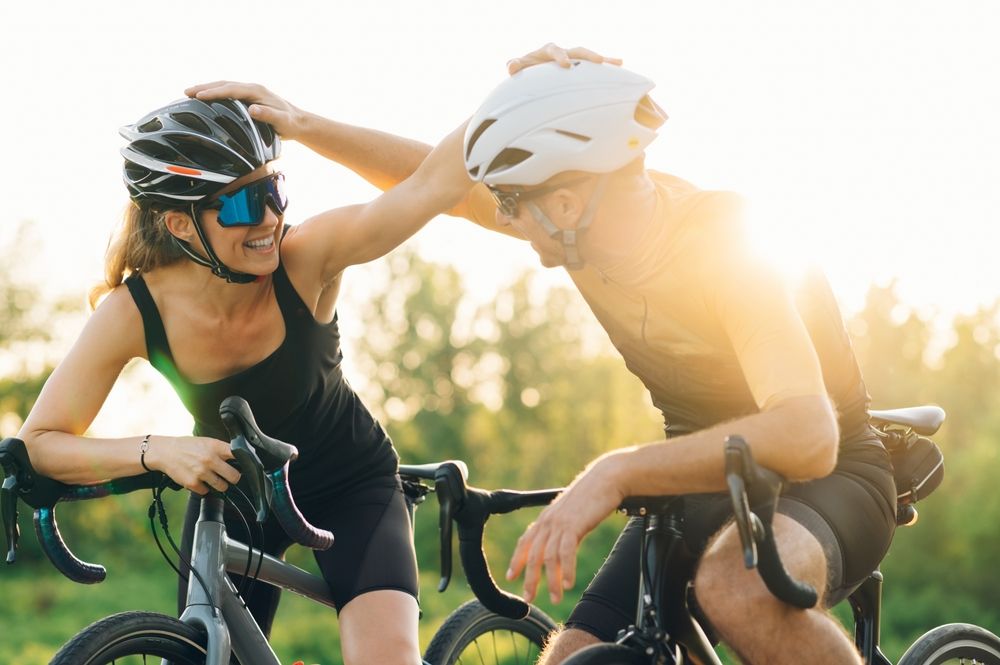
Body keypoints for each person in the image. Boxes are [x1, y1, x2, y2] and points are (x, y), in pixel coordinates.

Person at [192, 45, 896, 665]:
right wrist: (305, 126)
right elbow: (432, 185)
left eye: (510, 200)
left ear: (564, 202)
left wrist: (617, 472)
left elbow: (809, 433)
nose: (498, 216)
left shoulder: (725, 245)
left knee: (733, 587)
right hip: (698, 478)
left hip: (832, 478)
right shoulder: (584, 236)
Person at [17, 92, 472, 664]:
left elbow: (434, 185)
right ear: (179, 223)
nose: (268, 219)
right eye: (239, 206)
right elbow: (38, 443)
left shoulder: (307, 256)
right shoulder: (136, 311)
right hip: (232, 495)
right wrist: (158, 450)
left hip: (351, 487)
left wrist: (522, 99)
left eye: (272, 191)